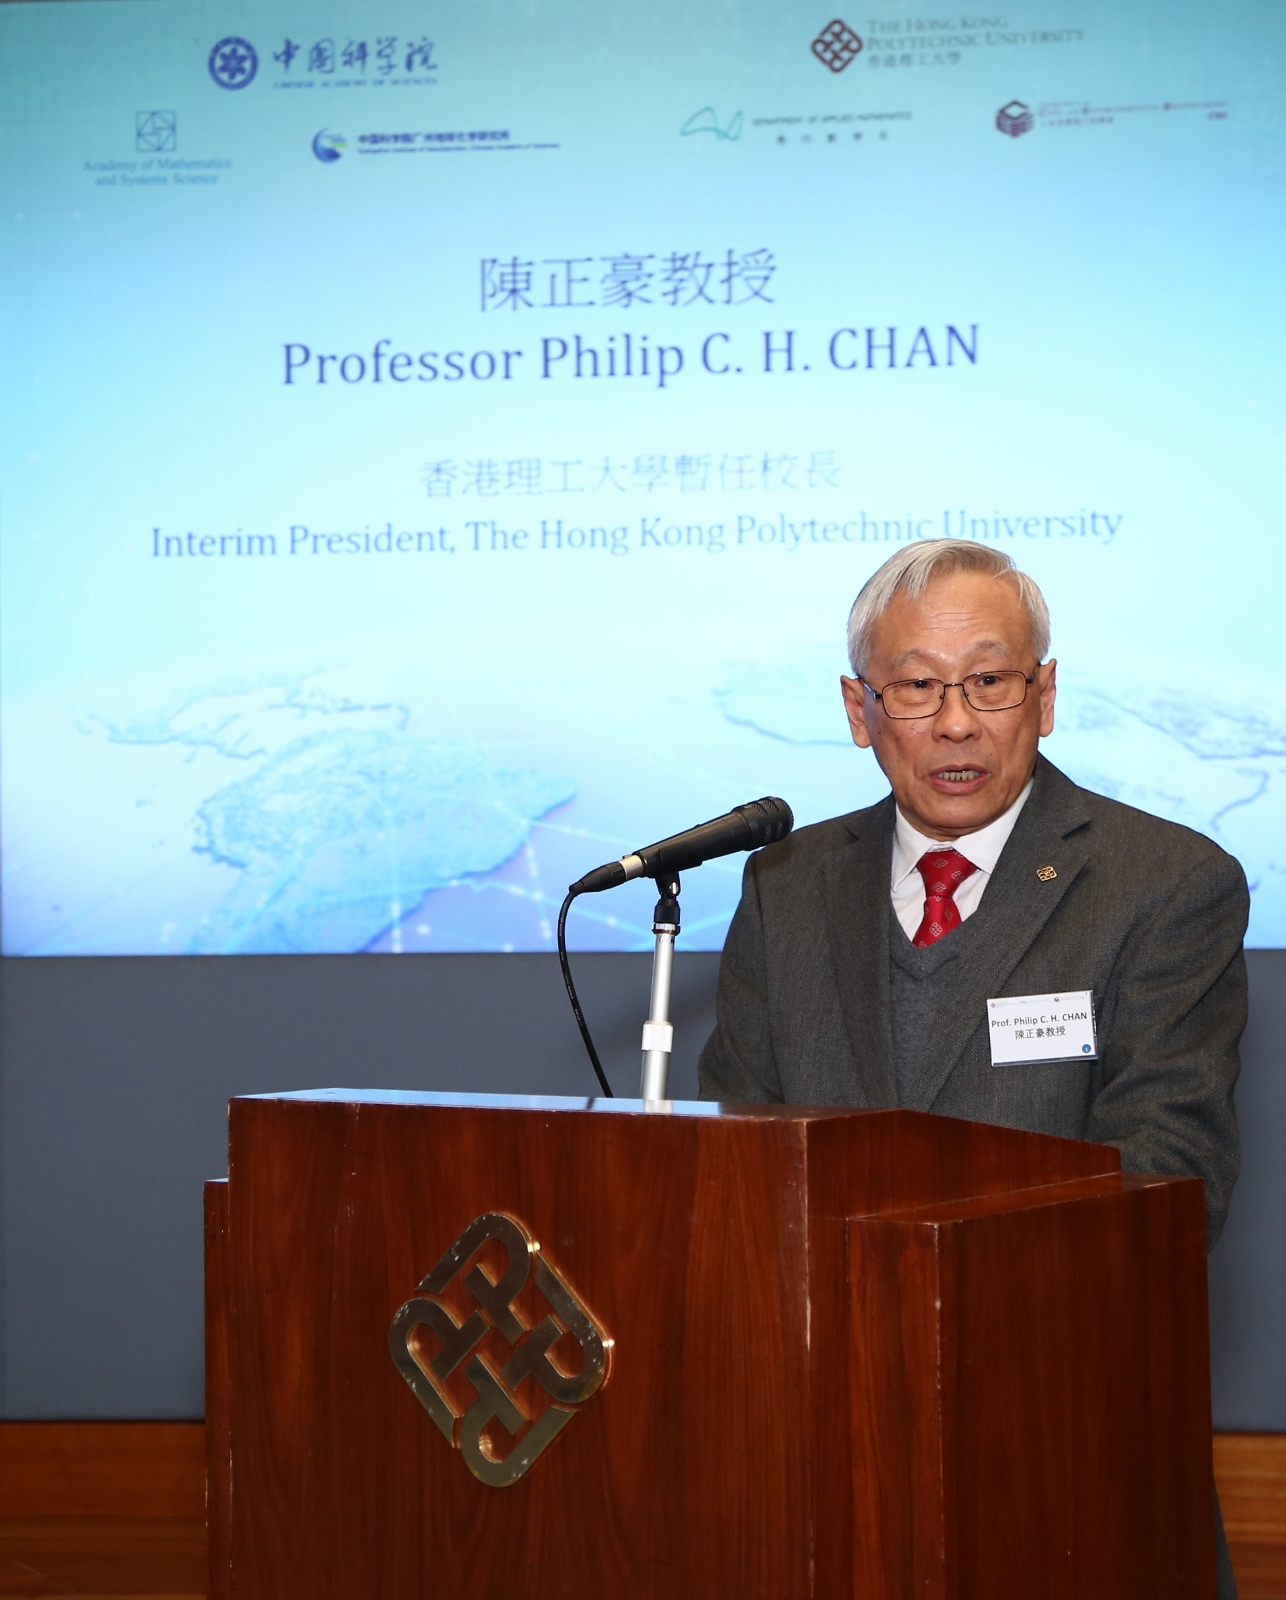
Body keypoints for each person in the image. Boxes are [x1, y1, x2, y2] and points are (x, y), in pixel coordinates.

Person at [698, 540, 1247, 1595]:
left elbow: (1171, 1179)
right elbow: (739, 1165)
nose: (954, 723)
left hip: (1060, 1444)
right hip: (816, 1455)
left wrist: (925, 1301)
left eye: (987, 681)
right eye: (915, 686)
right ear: (860, 712)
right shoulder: (786, 885)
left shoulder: (1164, 882)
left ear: (1042, 696)